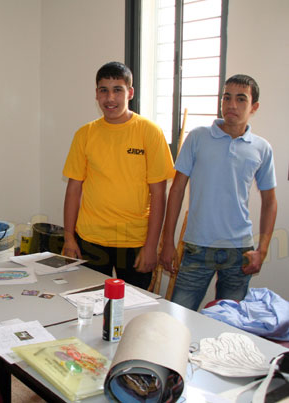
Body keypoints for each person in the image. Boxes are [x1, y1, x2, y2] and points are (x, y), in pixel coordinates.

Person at [159, 74, 278, 311]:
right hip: (196, 246)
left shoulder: (261, 148)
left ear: (254, 107)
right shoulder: (198, 137)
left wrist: (262, 250)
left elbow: (270, 201)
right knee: (178, 315)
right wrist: (167, 241)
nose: (232, 105)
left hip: (239, 250)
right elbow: (177, 190)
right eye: (227, 97)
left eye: (241, 99)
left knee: (230, 322)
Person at [62, 61, 175, 289]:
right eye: (104, 90)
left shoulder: (150, 132)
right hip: (91, 239)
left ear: (130, 93)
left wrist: (151, 246)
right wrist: (69, 237)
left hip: (134, 241)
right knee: (89, 301)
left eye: (117, 90)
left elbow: (158, 194)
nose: (110, 98)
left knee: (133, 305)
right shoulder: (85, 134)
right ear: (96, 94)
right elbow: (73, 189)